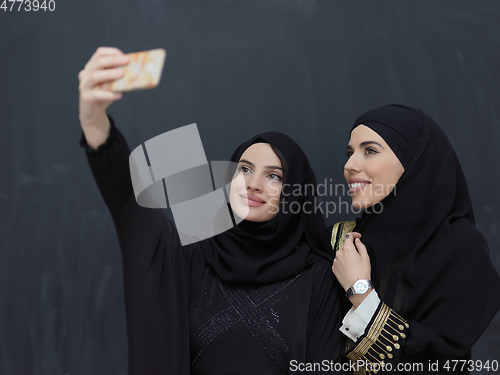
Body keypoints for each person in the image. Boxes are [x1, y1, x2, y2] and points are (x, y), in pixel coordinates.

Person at [78, 47, 345, 375]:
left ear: (295, 193)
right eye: (244, 169)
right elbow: (132, 207)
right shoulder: (192, 254)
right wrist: (95, 122)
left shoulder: (320, 277)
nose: (253, 184)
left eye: (274, 175)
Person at [330, 104, 500, 374]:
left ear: (413, 162)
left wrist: (359, 290)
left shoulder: (462, 251)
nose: (349, 165)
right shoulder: (344, 243)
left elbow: (436, 364)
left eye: (370, 151)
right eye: (349, 153)